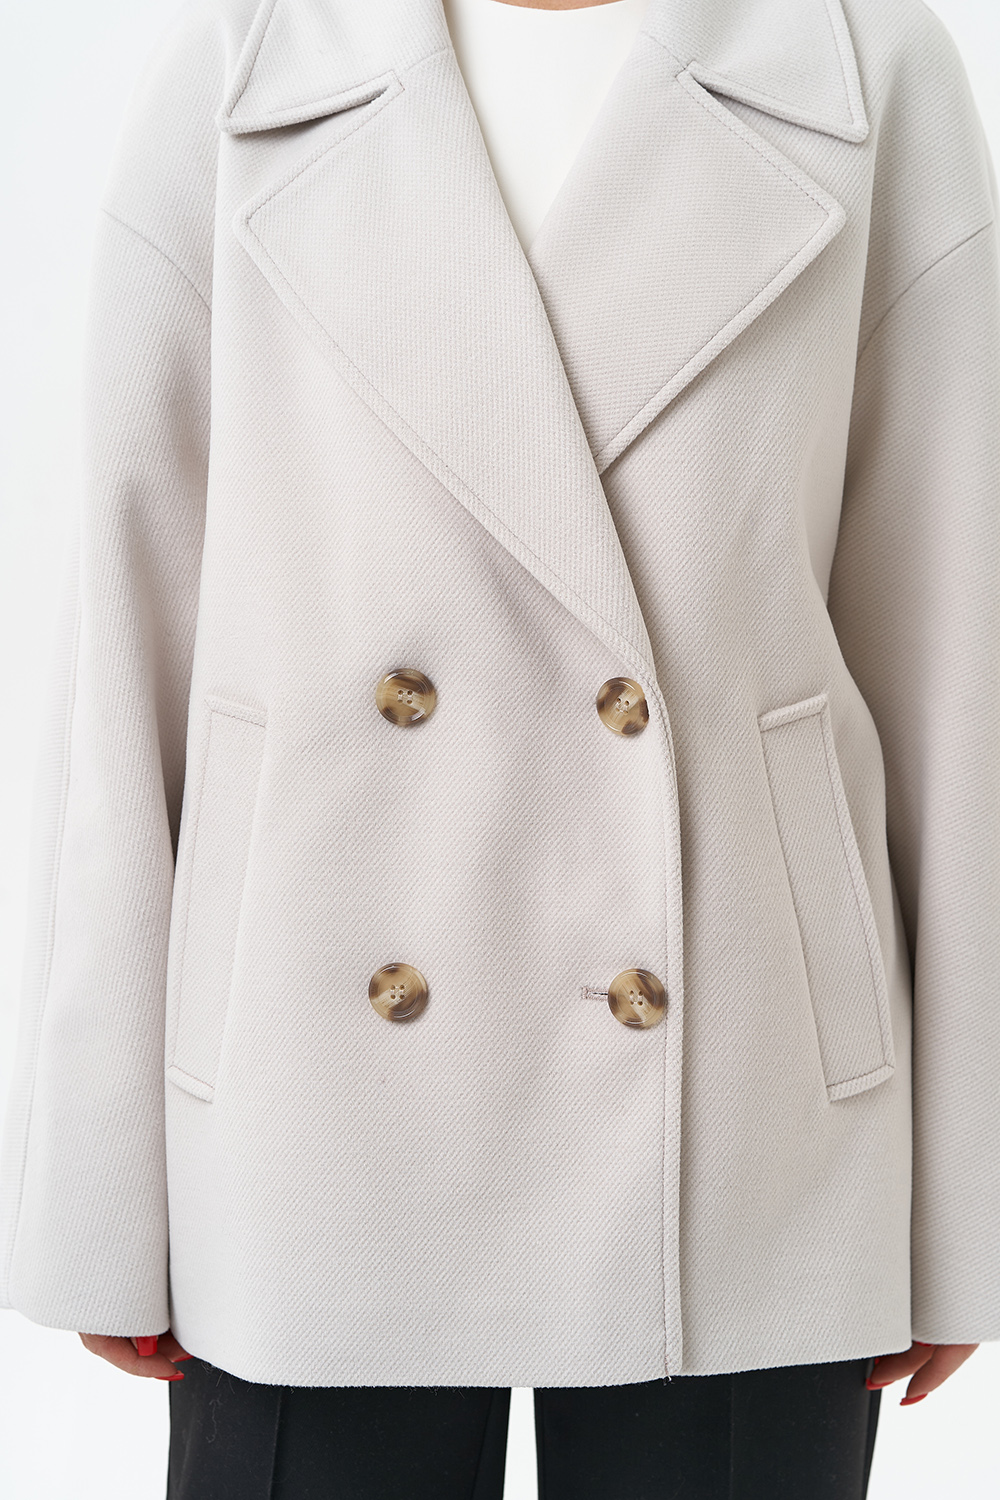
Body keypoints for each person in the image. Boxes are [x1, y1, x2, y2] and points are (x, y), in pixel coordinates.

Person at [2, 0, 998, 1494]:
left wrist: (966, 1207)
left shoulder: (853, 60)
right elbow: (127, 639)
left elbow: (956, 654)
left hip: (749, 1100)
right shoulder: (248, 61)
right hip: (307, 1094)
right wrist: (97, 1186)